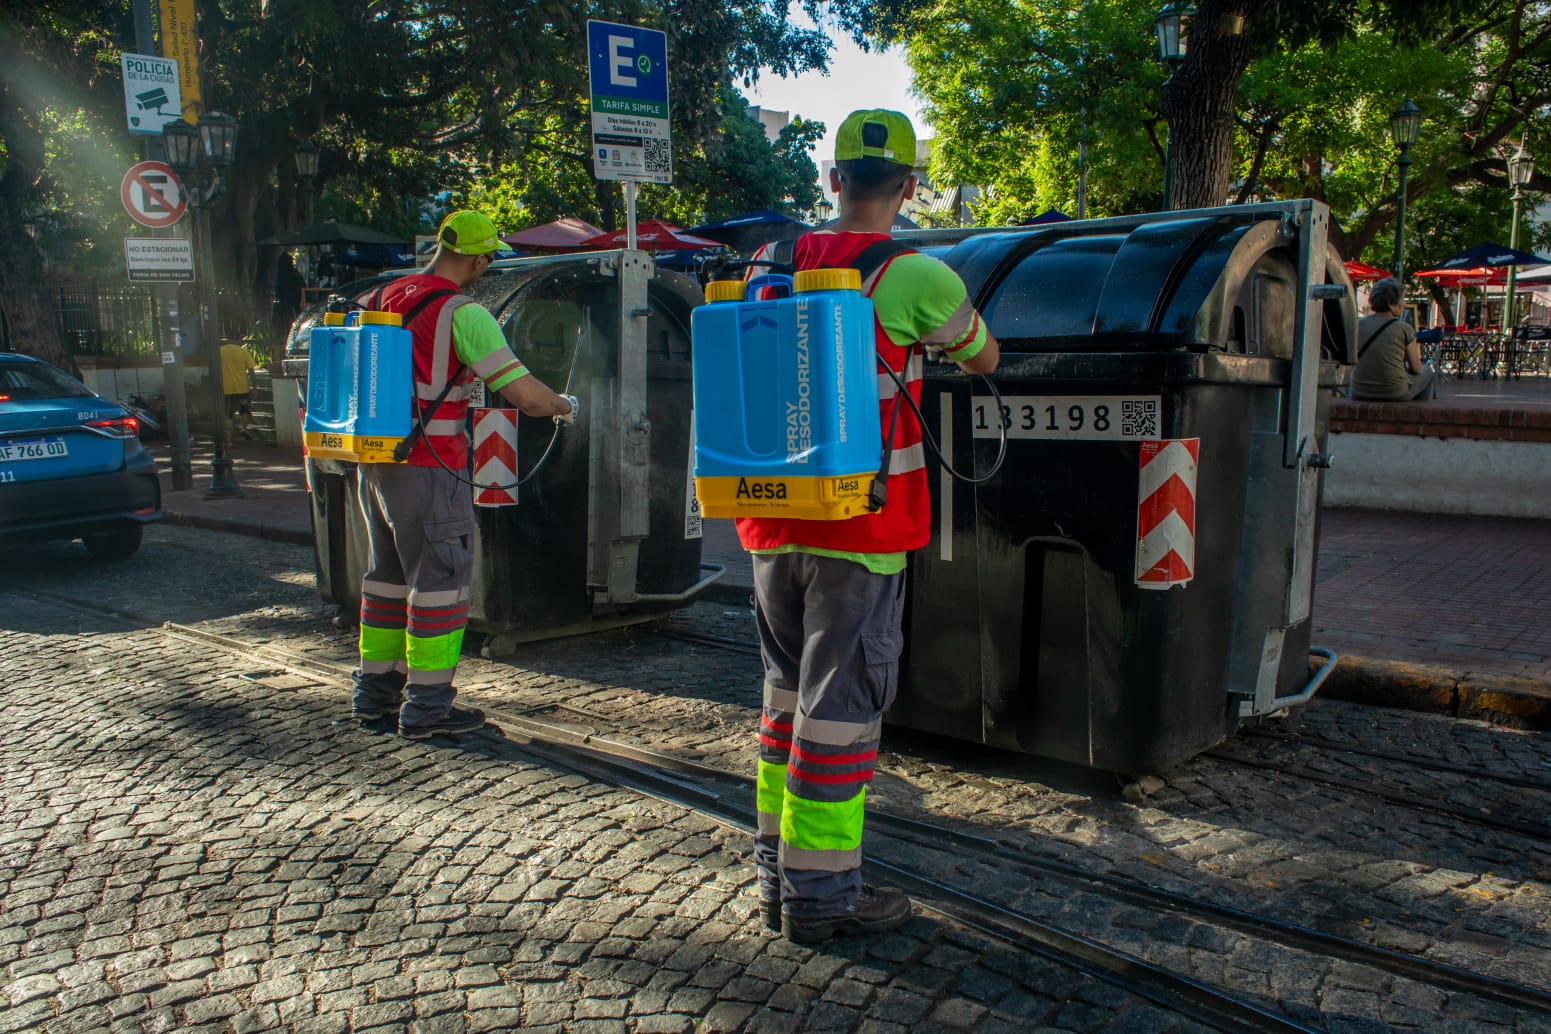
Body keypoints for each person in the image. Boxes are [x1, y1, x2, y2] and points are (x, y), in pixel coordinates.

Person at [738, 110, 1000, 943]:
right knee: (840, 712)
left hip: (769, 519)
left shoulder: (767, 261)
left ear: (832, 180)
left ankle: (774, 872)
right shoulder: (919, 275)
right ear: (910, 188)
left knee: (784, 703)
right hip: (864, 529)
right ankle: (821, 900)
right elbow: (983, 358)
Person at [351, 210, 577, 740]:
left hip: (376, 465)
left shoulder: (384, 297)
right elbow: (524, 395)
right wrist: (564, 405)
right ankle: (428, 709)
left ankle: (374, 695)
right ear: (478, 258)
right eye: (487, 259)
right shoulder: (463, 313)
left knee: (385, 582)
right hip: (430, 468)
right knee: (441, 586)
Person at [1352, 277, 1435, 401]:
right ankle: (1419, 413)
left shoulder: (1358, 325)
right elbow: (1416, 369)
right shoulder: (1404, 328)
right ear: (1391, 304)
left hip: (1358, 391)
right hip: (1394, 392)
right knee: (1427, 371)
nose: (1405, 304)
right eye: (1402, 299)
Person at [218, 342, 258, 441]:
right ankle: (243, 428)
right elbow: (251, 370)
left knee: (229, 415)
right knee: (245, 410)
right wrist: (254, 387)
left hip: (227, 389)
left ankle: (228, 441)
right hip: (242, 387)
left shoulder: (219, 352)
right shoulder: (243, 351)